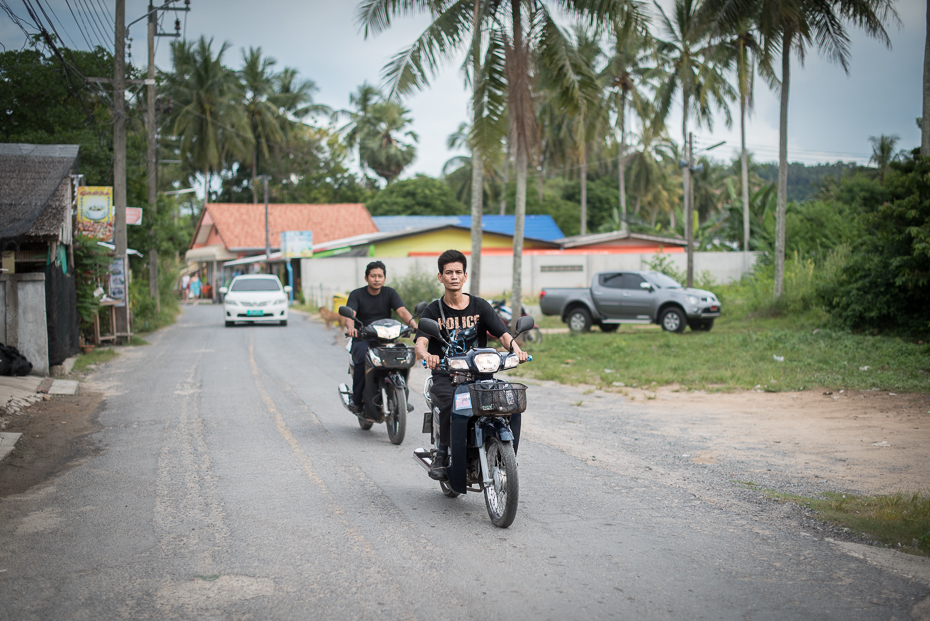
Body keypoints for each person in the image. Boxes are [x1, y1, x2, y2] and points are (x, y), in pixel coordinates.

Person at [414, 249, 528, 481]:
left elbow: (503, 334)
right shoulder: (433, 310)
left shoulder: (480, 306)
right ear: (441, 277)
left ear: (465, 276)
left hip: (481, 375)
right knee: (450, 402)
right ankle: (442, 453)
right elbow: (420, 342)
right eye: (448, 272)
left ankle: (506, 456)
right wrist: (428, 355)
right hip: (447, 375)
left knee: (510, 402)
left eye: (458, 272)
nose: (454, 276)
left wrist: (516, 350)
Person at [345, 261, 418, 415]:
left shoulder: (389, 293)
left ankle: (402, 396)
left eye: (380, 276)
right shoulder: (357, 294)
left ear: (384, 278)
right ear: (366, 278)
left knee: (403, 359)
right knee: (361, 361)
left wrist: (414, 324)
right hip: (363, 338)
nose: (376, 279)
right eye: (373, 276)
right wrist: (351, 328)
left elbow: (402, 311)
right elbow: (350, 315)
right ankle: (356, 400)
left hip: (386, 339)